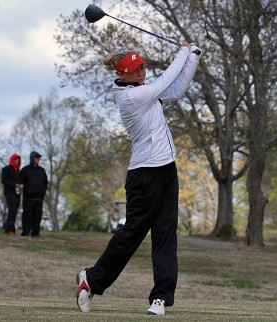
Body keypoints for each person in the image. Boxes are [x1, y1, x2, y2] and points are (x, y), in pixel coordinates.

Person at [75, 42, 202, 316]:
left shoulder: (142, 90)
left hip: (166, 168)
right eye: (136, 70)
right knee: (132, 233)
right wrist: (183, 52)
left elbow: (176, 90)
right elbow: (168, 79)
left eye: (143, 67)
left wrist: (193, 59)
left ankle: (161, 298)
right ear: (123, 75)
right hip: (144, 175)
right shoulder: (131, 97)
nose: (143, 72)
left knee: (166, 233)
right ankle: (92, 280)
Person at [20, 151, 48, 237]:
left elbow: (45, 182)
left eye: (39, 158)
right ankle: (26, 232)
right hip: (28, 198)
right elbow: (21, 182)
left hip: (39, 198)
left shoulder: (42, 170)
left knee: (37, 217)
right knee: (27, 216)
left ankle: (35, 233)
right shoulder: (25, 170)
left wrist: (43, 191)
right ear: (32, 158)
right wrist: (28, 190)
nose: (38, 159)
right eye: (36, 157)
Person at [1, 153, 23, 235]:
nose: (17, 161)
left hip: (17, 192)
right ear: (12, 160)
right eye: (16, 159)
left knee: (15, 210)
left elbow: (20, 181)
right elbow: (4, 180)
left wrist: (21, 185)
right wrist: (14, 185)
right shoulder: (6, 169)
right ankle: (8, 229)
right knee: (12, 209)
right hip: (9, 192)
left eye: (18, 160)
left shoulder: (18, 171)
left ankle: (11, 228)